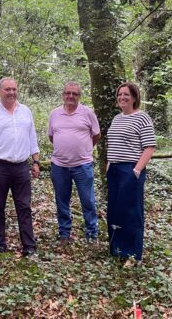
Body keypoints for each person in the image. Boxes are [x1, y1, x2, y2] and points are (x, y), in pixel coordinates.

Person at [0, 77, 40, 256]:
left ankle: (29, 245)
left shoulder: (25, 111)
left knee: (24, 206)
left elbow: (32, 137)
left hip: (21, 166)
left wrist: (35, 161)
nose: (11, 92)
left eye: (13, 89)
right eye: (7, 89)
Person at [106, 82, 156, 266]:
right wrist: (109, 164)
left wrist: (136, 170)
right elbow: (113, 144)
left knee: (132, 212)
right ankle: (117, 249)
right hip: (114, 170)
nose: (122, 98)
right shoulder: (116, 119)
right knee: (115, 210)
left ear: (134, 97)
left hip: (131, 170)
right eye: (119, 95)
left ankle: (133, 255)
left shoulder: (142, 118)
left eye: (126, 94)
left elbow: (149, 147)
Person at [48, 82, 101, 243]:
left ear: (79, 96)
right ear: (63, 95)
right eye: (68, 93)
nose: (71, 96)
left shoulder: (88, 113)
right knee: (61, 200)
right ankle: (64, 233)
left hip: (82, 165)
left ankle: (92, 233)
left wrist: (84, 150)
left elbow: (96, 135)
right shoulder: (54, 114)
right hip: (59, 166)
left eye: (75, 94)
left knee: (88, 200)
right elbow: (51, 136)